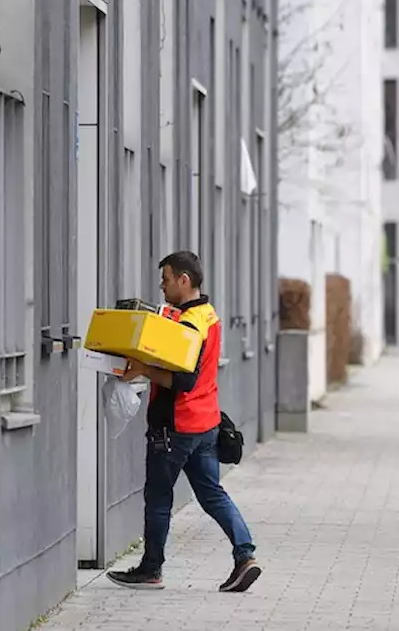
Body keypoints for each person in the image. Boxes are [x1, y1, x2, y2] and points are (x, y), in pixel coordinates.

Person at [107, 251, 261, 593]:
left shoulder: (189, 326)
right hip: (206, 424)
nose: (162, 286)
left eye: (166, 279)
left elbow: (184, 380)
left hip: (175, 426)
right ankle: (245, 554)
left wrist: (145, 369)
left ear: (184, 280)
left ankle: (150, 569)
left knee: (159, 498)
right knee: (212, 494)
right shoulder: (208, 316)